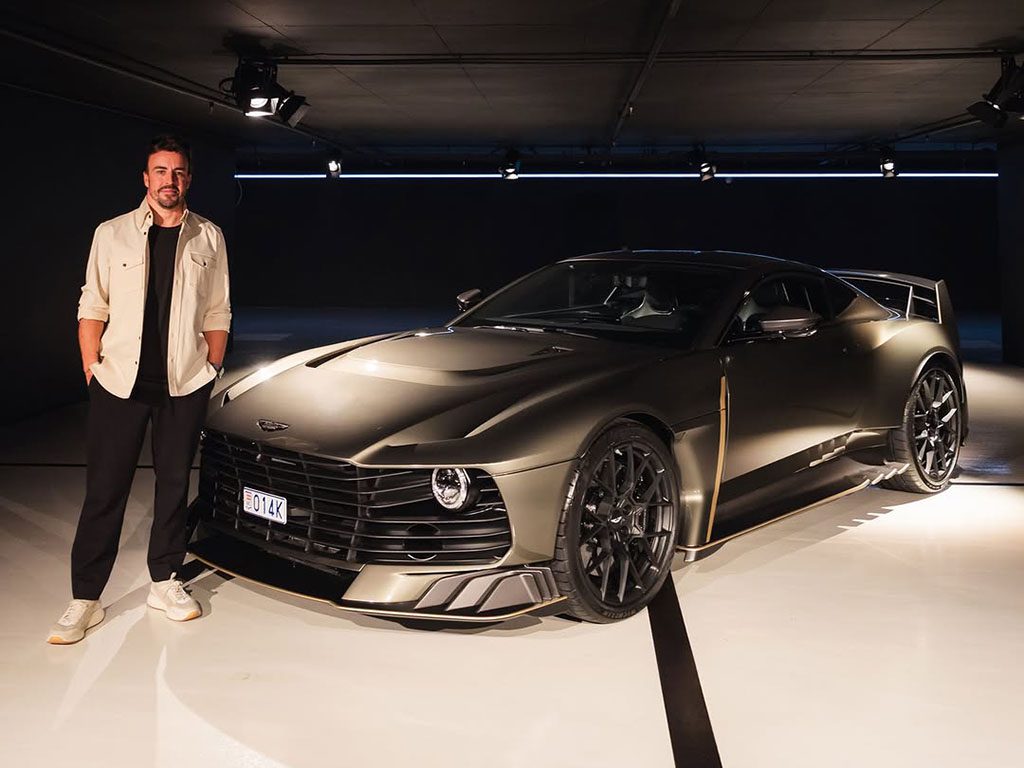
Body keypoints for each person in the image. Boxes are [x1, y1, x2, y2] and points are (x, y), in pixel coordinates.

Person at [47, 135, 231, 644]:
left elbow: (218, 310)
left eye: (177, 172)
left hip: (184, 382)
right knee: (104, 491)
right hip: (119, 382)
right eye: (159, 171)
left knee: (173, 486)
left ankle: (164, 580)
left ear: (187, 179)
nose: (168, 180)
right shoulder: (111, 234)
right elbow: (92, 303)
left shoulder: (209, 237)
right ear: (145, 178)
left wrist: (211, 366)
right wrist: (91, 364)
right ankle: (85, 597)